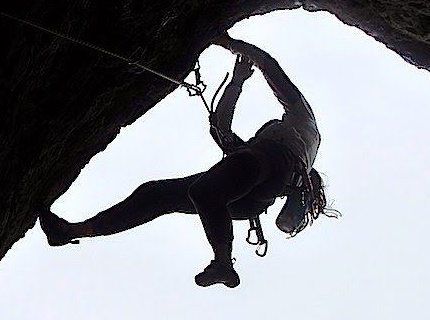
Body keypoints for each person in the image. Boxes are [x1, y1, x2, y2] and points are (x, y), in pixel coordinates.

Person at [40, 32, 336, 288]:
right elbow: (222, 131)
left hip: (262, 176)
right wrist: (236, 81)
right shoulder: (270, 152)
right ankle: (70, 231)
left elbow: (269, 66)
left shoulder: (303, 127)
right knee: (156, 194)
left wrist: (228, 43)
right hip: (250, 201)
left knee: (203, 192)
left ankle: (222, 262)